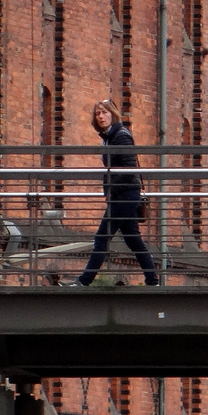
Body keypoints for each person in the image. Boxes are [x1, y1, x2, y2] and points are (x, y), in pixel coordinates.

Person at [71, 99, 160, 286]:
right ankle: (153, 280)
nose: (101, 116)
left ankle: (83, 281)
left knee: (101, 238)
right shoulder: (110, 137)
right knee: (134, 241)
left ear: (113, 114)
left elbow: (128, 169)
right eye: (98, 114)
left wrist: (111, 190)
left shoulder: (121, 136)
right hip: (123, 195)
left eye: (104, 112)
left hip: (125, 195)